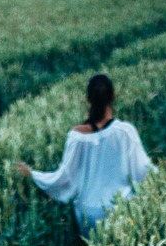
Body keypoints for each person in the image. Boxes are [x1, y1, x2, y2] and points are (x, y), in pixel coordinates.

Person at [18, 73, 154, 235]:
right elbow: (143, 172)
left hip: (88, 216)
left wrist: (33, 175)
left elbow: (63, 178)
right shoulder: (125, 132)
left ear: (87, 99)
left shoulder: (77, 137)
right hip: (121, 210)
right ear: (113, 96)